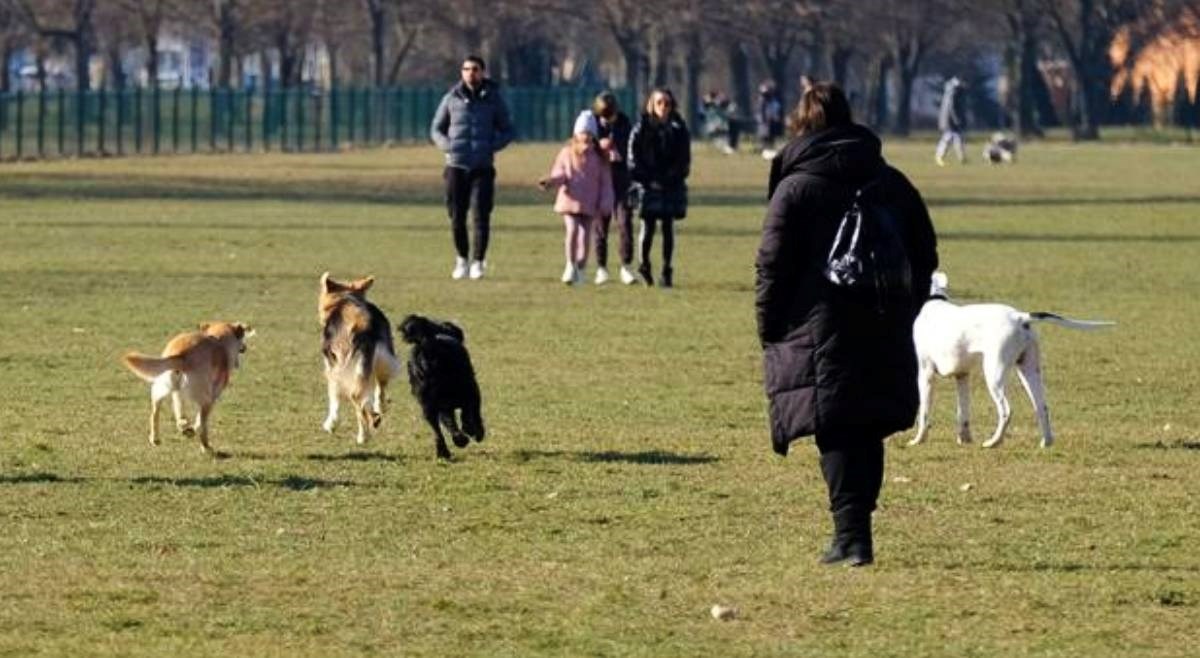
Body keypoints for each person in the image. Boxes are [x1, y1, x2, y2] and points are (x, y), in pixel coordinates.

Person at [756, 82, 939, 567]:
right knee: (866, 423)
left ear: (801, 123)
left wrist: (769, 323)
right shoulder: (891, 181)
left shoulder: (795, 187)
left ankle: (850, 535)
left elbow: (771, 263)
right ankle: (856, 534)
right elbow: (924, 251)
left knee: (835, 423)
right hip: (882, 312)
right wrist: (907, 305)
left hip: (819, 319)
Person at [430, 55, 514, 280]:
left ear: (483, 72)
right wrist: (447, 147)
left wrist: (489, 147)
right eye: (466, 69)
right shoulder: (451, 98)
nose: (470, 73)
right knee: (457, 216)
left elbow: (508, 130)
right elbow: (436, 129)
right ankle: (461, 259)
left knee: (480, 215)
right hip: (456, 166)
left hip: (482, 167)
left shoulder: (494, 99)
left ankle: (478, 261)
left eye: (475, 69)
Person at [538, 111, 614, 286]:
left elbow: (606, 184)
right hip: (570, 201)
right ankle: (570, 265)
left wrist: (605, 202)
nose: (585, 136)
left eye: (589, 133)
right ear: (575, 134)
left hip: (589, 203)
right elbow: (560, 174)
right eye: (582, 132)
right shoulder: (566, 153)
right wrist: (551, 182)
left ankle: (581, 268)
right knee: (571, 231)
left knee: (585, 236)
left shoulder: (600, 158)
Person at [628, 88, 691, 288]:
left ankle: (666, 269)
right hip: (647, 185)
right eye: (659, 103)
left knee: (668, 227)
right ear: (652, 105)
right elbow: (633, 159)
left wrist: (671, 178)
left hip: (670, 184)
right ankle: (644, 264)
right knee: (647, 227)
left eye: (667, 103)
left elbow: (684, 160)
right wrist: (648, 180)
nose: (663, 107)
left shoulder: (679, 129)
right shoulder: (641, 129)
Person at [591, 91, 638, 285]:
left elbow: (631, 149)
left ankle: (625, 266)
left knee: (625, 222)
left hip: (621, 179)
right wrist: (599, 147)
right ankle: (601, 268)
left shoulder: (625, 124)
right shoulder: (592, 125)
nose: (608, 119)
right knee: (601, 225)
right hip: (601, 180)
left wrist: (617, 151)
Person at [935, 76, 966, 166]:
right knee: (948, 137)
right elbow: (952, 108)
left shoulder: (951, 91)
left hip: (948, 119)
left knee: (957, 137)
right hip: (949, 120)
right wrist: (956, 119)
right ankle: (939, 156)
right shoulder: (953, 93)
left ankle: (961, 158)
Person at [756, 81, 784, 159]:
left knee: (771, 138)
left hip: (771, 122)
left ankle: (769, 151)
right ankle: (765, 151)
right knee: (765, 138)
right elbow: (761, 112)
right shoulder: (762, 100)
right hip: (765, 123)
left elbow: (777, 109)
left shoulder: (774, 100)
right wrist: (764, 120)